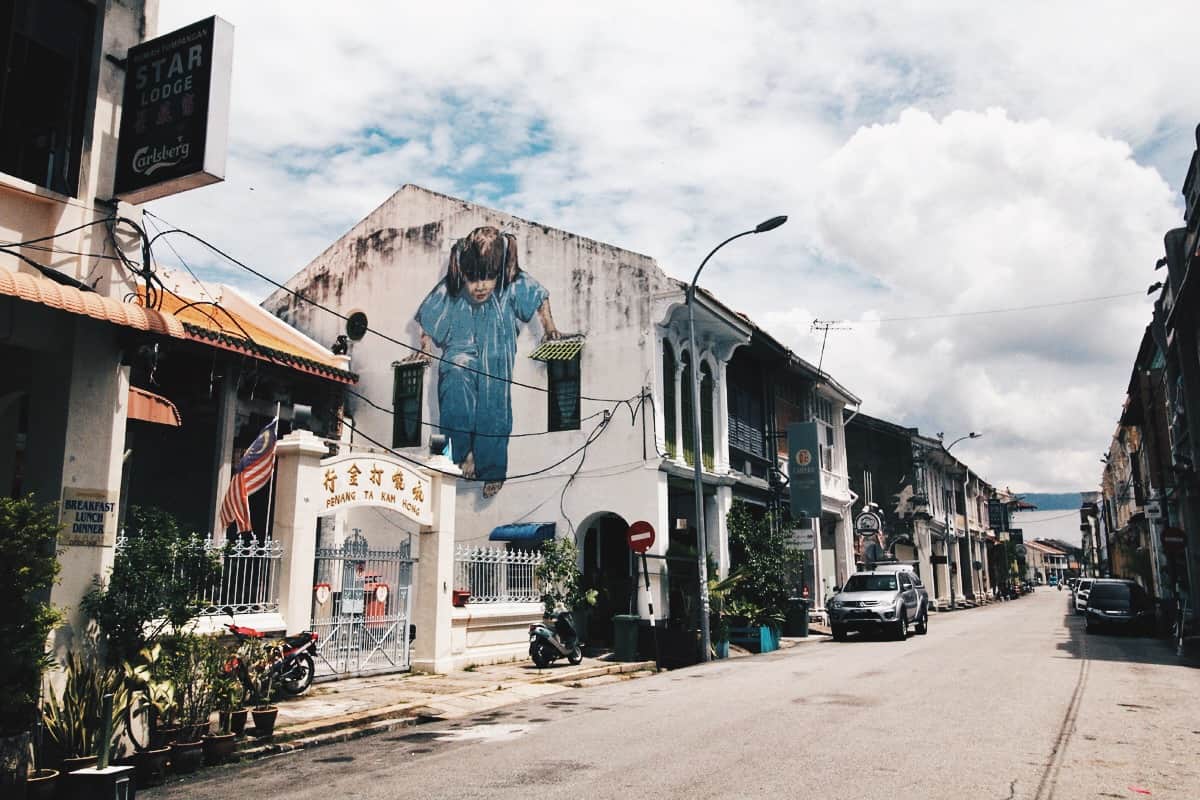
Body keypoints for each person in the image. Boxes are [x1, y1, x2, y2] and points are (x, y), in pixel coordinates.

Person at [415, 226, 559, 497]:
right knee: (456, 383)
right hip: (460, 350)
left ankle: (490, 468)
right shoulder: (453, 286)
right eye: (473, 279)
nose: (480, 286)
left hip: (496, 355)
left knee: (494, 408)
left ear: (497, 271)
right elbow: (428, 316)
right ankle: (461, 455)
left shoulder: (510, 282)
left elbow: (540, 297)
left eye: (487, 278)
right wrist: (424, 348)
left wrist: (550, 328)